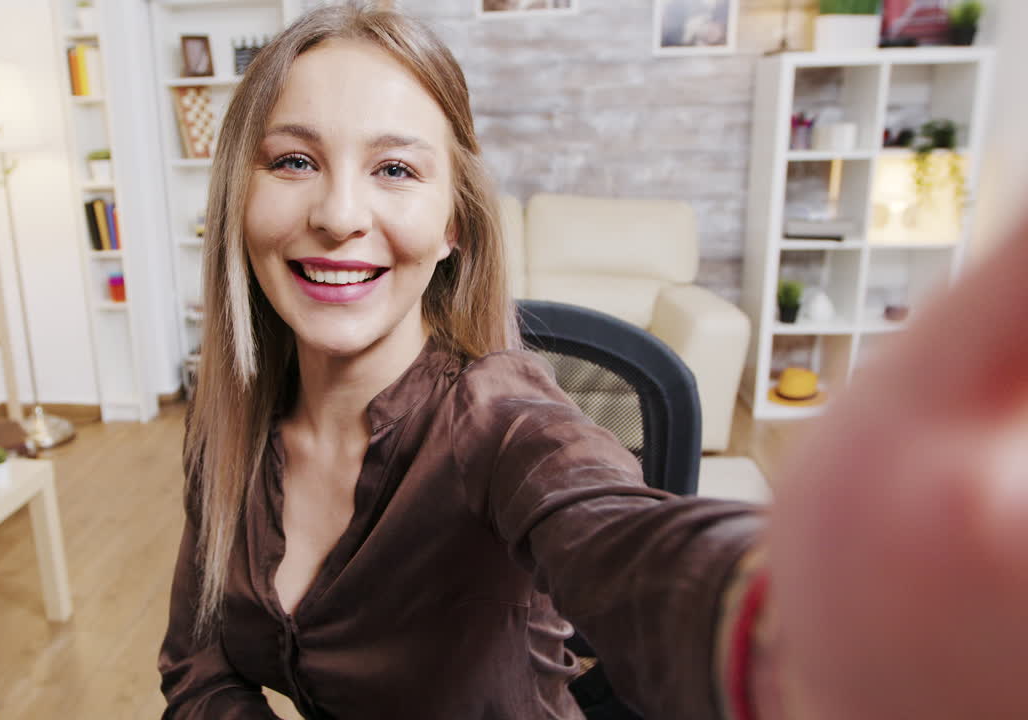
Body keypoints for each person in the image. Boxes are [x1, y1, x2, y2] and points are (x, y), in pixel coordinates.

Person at [159, 5, 1028, 719]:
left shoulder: (500, 417)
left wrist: (807, 627)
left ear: (455, 223)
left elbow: (618, 532)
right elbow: (199, 666)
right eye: (295, 161)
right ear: (242, 196)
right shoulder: (229, 428)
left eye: (394, 168)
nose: (341, 213)